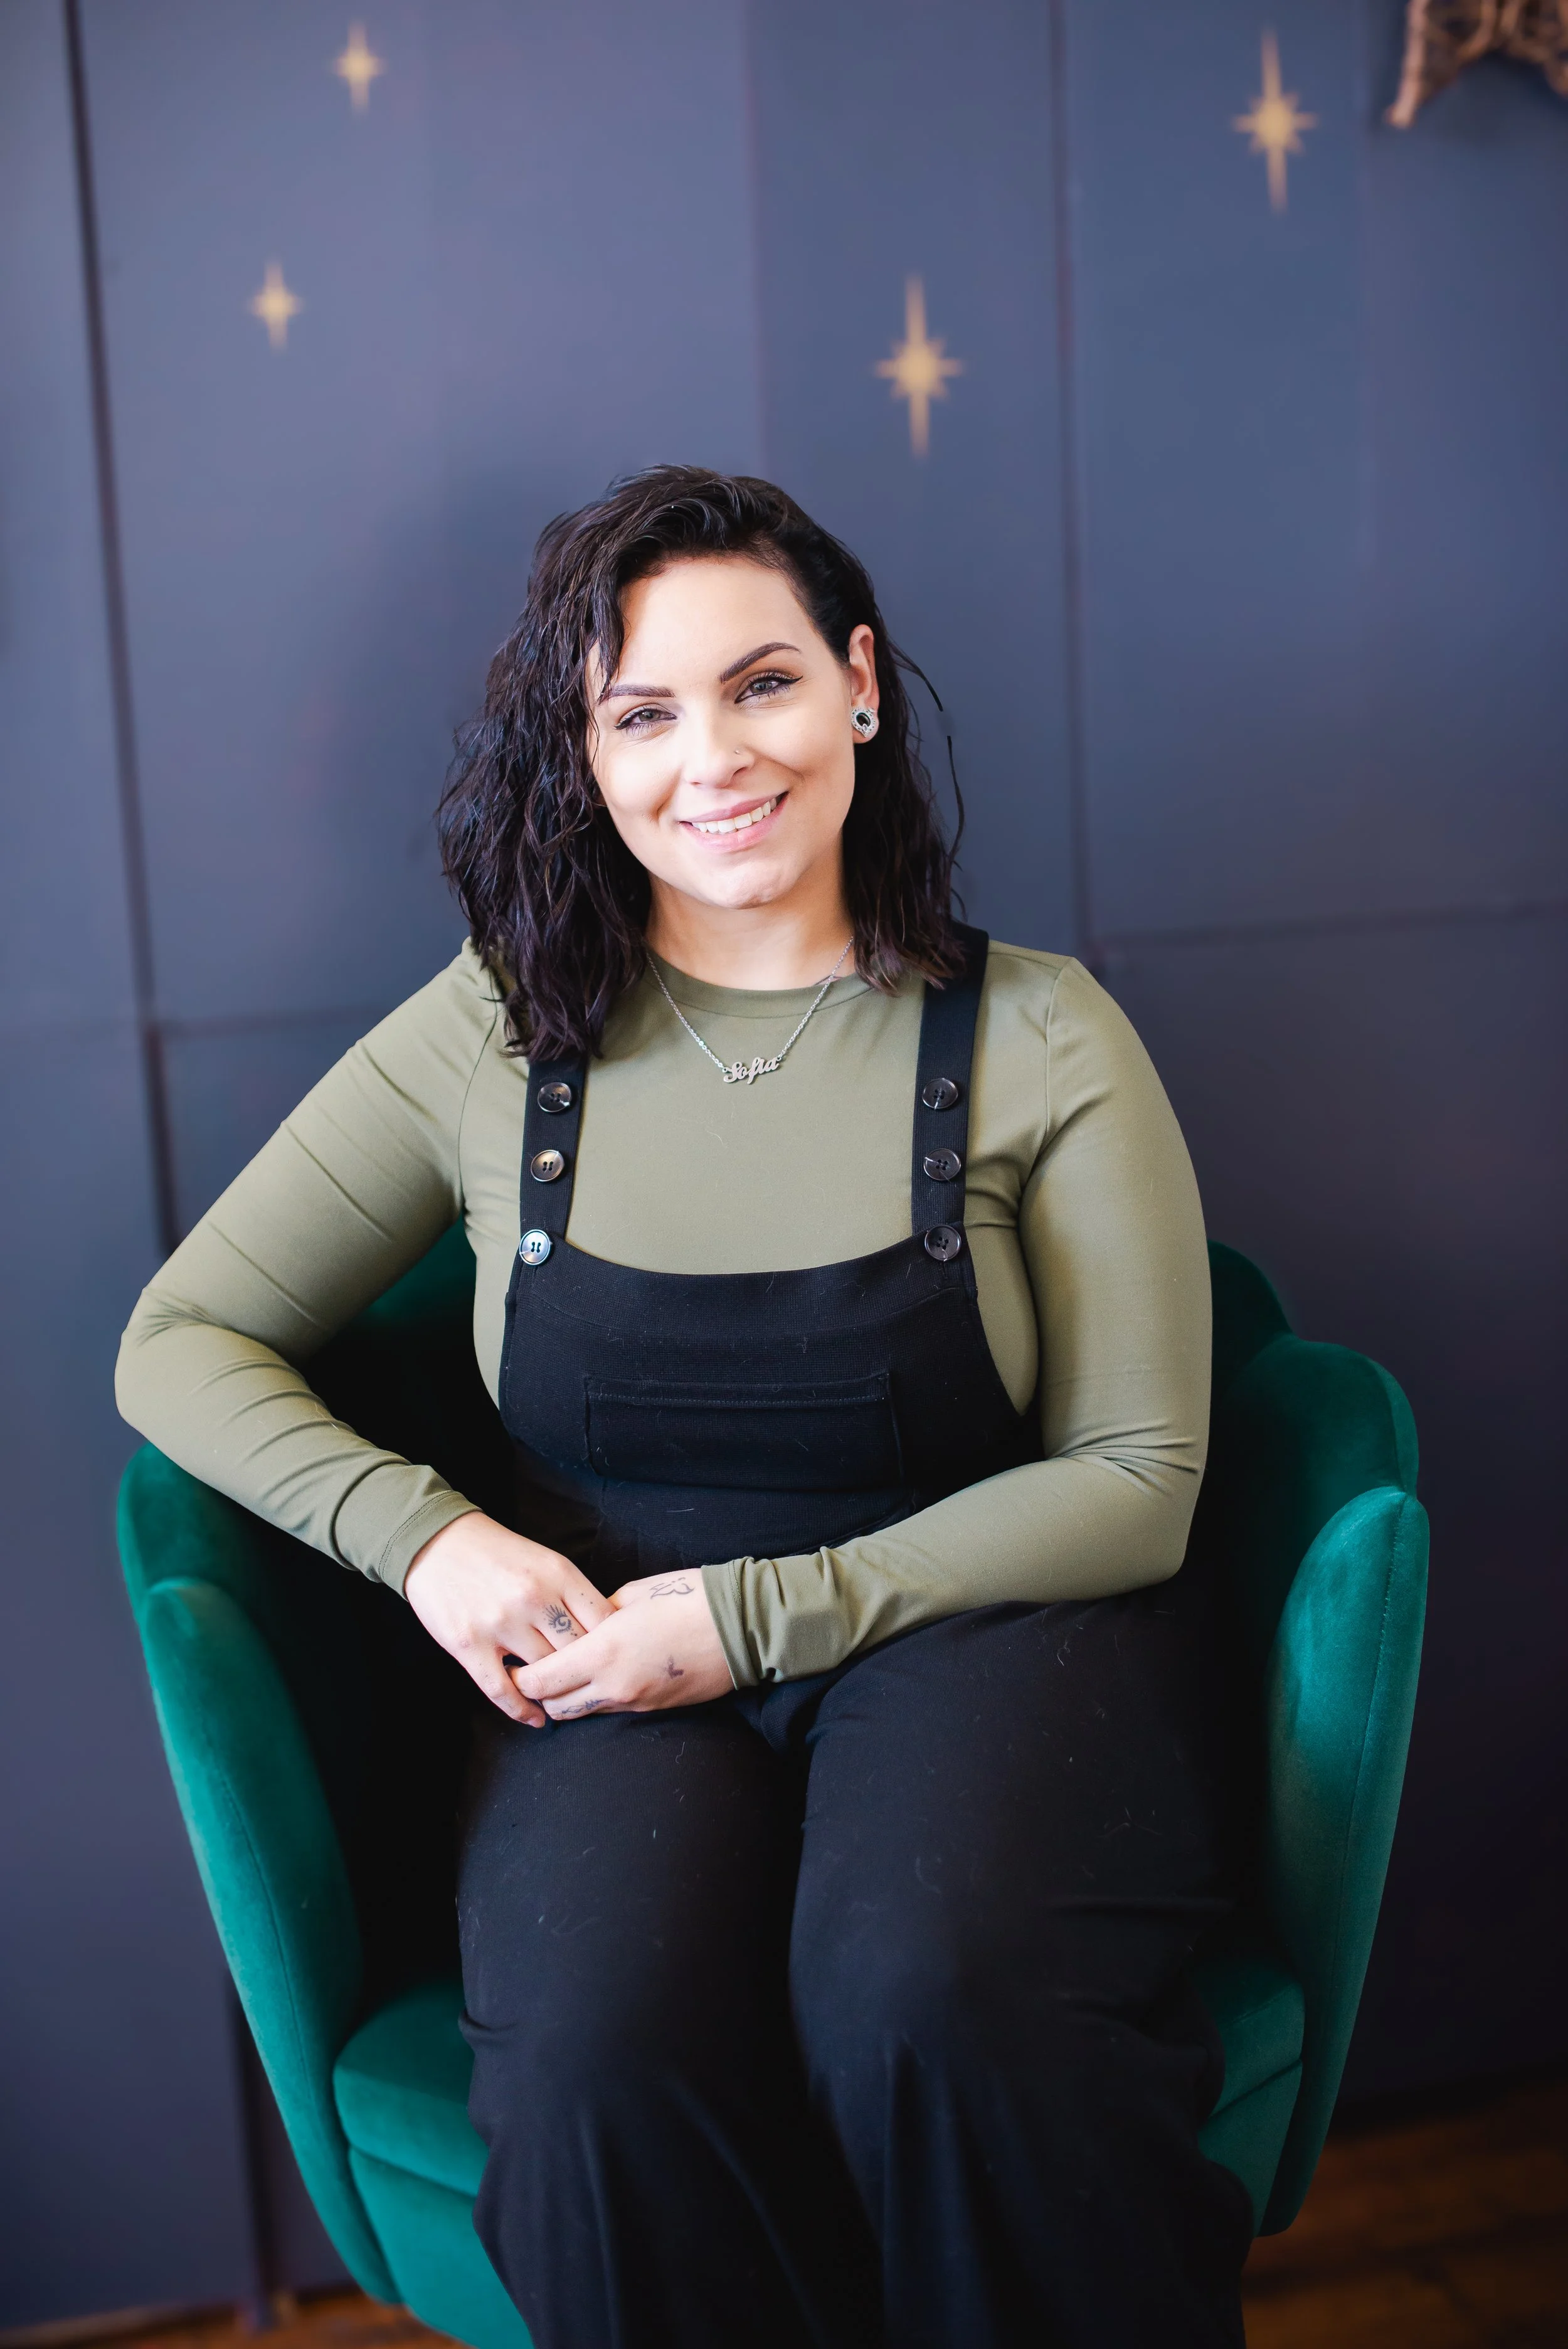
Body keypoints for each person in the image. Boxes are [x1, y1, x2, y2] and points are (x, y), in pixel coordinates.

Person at [117, 467, 1252, 2347]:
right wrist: (429, 1540)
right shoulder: (491, 1026)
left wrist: (755, 1615)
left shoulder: (1042, 1032)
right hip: (601, 1649)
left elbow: (1137, 1477)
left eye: (762, 684)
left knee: (931, 2000)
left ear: (859, 685)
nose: (711, 759)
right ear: (586, 755)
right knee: (596, 2075)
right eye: (640, 712)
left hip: (985, 1619)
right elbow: (181, 1336)